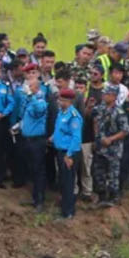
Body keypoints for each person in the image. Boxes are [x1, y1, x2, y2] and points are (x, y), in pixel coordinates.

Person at [51, 89, 83, 219]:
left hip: (68, 153)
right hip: (60, 151)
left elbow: (76, 138)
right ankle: (65, 208)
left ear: (69, 101)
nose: (59, 102)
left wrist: (69, 155)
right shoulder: (62, 113)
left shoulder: (74, 116)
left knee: (68, 182)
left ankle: (68, 212)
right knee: (63, 181)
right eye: (59, 99)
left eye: (62, 100)